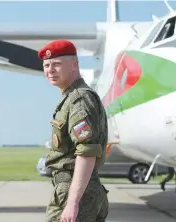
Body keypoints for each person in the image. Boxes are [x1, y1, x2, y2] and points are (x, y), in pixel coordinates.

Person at [39, 39, 109, 222]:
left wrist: (72, 202)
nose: (50, 70)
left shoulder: (79, 99)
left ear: (74, 64)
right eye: (46, 65)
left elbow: (86, 152)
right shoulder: (71, 98)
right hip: (77, 190)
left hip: (76, 191)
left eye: (57, 64)